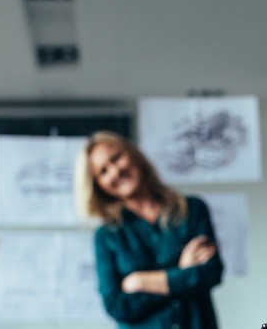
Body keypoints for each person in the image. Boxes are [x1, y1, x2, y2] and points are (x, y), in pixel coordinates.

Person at [75, 130, 223, 329]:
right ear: (98, 186)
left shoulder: (193, 210)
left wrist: (140, 282)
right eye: (103, 171)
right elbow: (117, 306)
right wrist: (181, 273)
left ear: (133, 154)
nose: (115, 172)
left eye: (116, 158)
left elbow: (211, 273)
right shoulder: (107, 236)